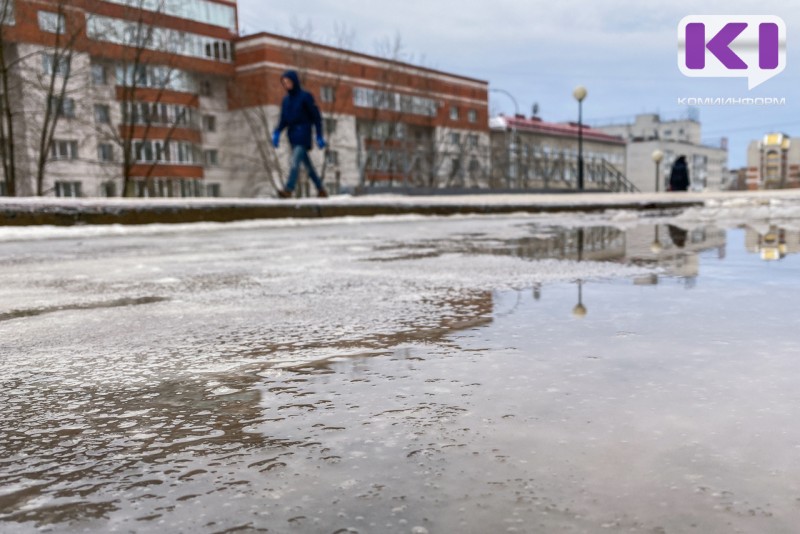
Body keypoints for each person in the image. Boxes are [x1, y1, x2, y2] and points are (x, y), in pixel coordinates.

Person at [272, 70, 328, 198]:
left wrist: (319, 135)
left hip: (303, 134)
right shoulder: (286, 101)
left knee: (294, 161)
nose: (286, 85)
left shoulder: (305, 97)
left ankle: (288, 189)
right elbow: (284, 120)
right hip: (292, 136)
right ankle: (320, 189)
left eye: (288, 82)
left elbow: (316, 117)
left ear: (294, 81)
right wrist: (277, 132)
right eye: (284, 83)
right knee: (308, 165)